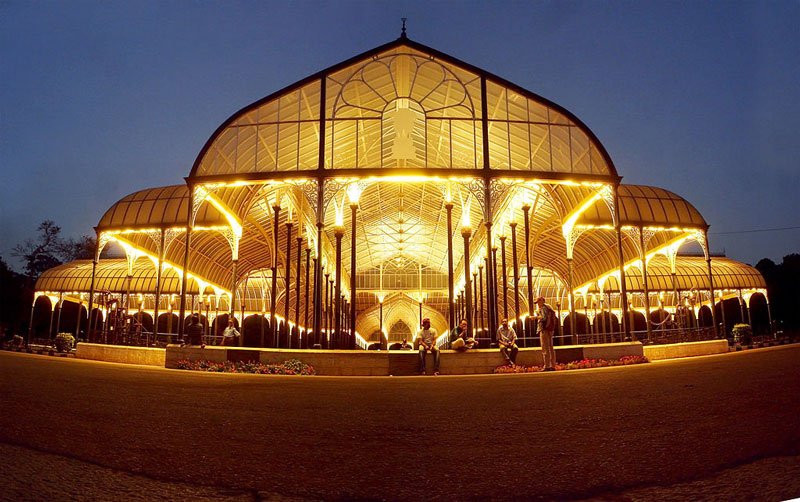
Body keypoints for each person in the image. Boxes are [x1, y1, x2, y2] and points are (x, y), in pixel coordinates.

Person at [536, 297, 556, 371]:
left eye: (538, 302)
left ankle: (547, 366)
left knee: (545, 348)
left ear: (542, 301)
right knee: (550, 347)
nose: (537, 304)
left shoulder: (543, 308)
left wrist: (535, 317)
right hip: (550, 329)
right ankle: (552, 365)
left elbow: (543, 318)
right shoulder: (549, 308)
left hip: (544, 329)